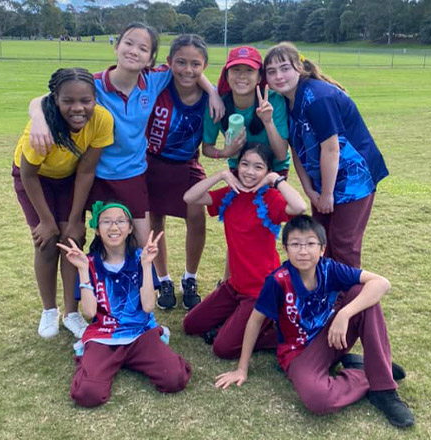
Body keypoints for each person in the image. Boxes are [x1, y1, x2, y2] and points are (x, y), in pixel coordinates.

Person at [28, 23, 224, 248]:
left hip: (133, 173)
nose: (134, 51)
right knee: (104, 239)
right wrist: (38, 117)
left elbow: (188, 69)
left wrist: (213, 92)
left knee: (142, 244)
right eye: (129, 43)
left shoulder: (154, 79)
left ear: (150, 59)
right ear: (117, 47)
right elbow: (45, 99)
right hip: (96, 174)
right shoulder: (94, 84)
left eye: (143, 48)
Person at [214, 215, 414, 428]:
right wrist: (242, 369)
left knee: (362, 293)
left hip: (333, 336)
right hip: (299, 352)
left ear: (322, 249)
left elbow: (382, 283)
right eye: (295, 244)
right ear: (285, 249)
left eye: (310, 244)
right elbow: (255, 321)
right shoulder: (278, 281)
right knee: (319, 399)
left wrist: (344, 314)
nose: (303, 251)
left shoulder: (330, 268)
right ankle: (366, 372)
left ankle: (383, 389)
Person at [263, 42, 389, 268]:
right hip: (324, 178)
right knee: (321, 240)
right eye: (271, 71)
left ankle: (353, 290)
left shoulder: (318, 97)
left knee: (343, 243)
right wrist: (310, 190)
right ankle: (329, 289)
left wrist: (327, 194)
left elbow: (331, 148)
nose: (278, 76)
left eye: (285, 68)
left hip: (354, 177)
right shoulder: (286, 102)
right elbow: (296, 150)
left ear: (298, 68)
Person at [58, 201, 192, 408]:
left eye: (121, 221)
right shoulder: (89, 262)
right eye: (106, 222)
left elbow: (148, 307)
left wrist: (146, 265)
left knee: (175, 378)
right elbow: (90, 312)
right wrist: (83, 270)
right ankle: (103, 361)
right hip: (104, 336)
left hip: (140, 332)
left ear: (130, 228)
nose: (114, 227)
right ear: (97, 229)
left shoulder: (140, 258)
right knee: (87, 394)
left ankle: (131, 358)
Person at [12, 68, 114, 339]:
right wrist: (46, 221)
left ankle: (71, 313)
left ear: (95, 100)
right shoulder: (42, 125)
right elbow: (28, 174)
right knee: (47, 241)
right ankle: (49, 310)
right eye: (68, 101)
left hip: (70, 177)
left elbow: (86, 170)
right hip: (35, 179)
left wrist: (76, 218)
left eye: (85, 101)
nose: (78, 108)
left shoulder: (102, 120)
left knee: (72, 241)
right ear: (55, 99)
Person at [182, 143, 306, 359]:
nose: (250, 172)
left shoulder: (271, 199)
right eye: (245, 164)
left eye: (258, 167)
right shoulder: (231, 195)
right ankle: (240, 322)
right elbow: (189, 198)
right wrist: (221, 175)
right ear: (237, 166)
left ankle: (278, 331)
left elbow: (300, 207)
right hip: (235, 286)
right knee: (191, 324)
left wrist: (275, 179)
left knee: (223, 348)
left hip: (261, 290)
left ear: (267, 171)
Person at [144, 34, 210, 311]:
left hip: (186, 163)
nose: (187, 70)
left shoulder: (209, 96)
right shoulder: (158, 82)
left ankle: (190, 278)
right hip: (152, 162)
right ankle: (163, 280)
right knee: (154, 221)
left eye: (195, 64)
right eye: (181, 62)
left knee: (196, 216)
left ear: (204, 66)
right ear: (169, 62)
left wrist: (214, 92)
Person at [202, 45, 291, 177]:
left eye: (249, 70)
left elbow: (281, 155)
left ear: (259, 77)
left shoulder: (274, 101)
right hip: (239, 169)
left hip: (274, 170)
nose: (242, 76)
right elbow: (207, 148)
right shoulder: (218, 105)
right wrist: (224, 153)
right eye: (236, 70)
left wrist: (268, 121)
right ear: (226, 75)